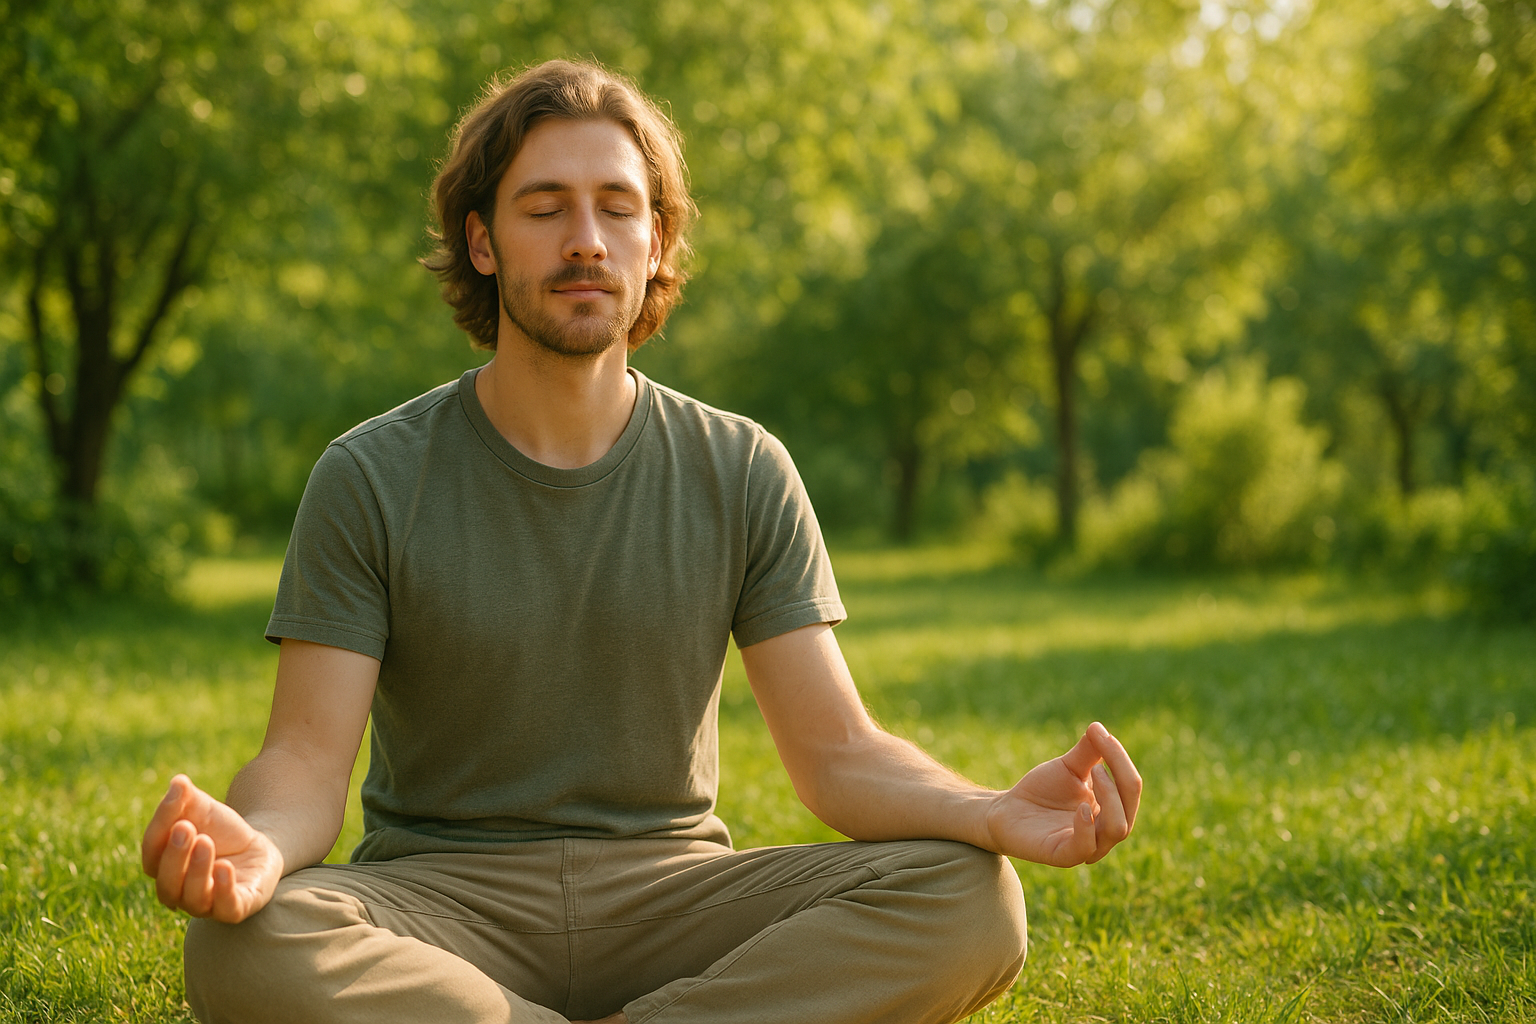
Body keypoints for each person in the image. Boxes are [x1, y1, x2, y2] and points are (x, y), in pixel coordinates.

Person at [141, 59, 1142, 1024]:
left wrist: (989, 811)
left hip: (675, 900)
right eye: (546, 207)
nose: (587, 239)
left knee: (970, 897)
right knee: (244, 941)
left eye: (618, 208)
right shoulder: (369, 475)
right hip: (441, 907)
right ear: (483, 241)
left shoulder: (741, 467)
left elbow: (840, 752)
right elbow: (306, 764)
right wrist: (259, 847)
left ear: (656, 240)